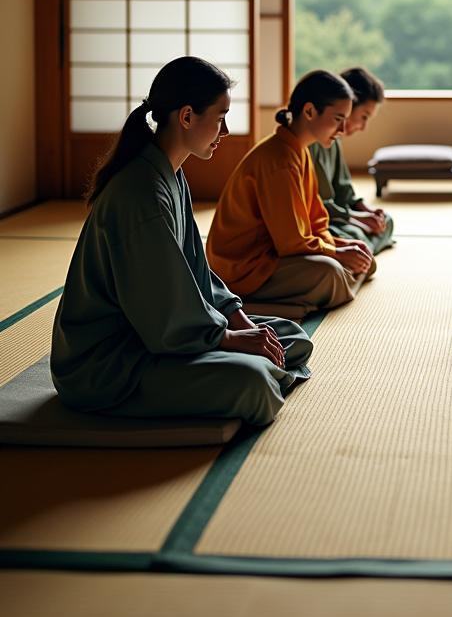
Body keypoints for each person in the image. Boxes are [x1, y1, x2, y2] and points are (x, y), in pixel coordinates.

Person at [51, 57, 313, 428]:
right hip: (111, 363)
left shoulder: (171, 176)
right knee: (252, 382)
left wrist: (237, 320)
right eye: (221, 118)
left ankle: (252, 361)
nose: (225, 131)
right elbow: (164, 315)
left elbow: (196, 272)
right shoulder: (140, 194)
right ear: (187, 117)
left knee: (291, 336)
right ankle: (255, 369)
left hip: (159, 334)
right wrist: (230, 339)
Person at [206, 70, 376, 319]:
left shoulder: (300, 151)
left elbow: (316, 222)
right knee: (331, 273)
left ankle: (304, 300)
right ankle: (249, 306)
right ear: (309, 111)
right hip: (245, 268)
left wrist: (340, 245)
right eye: (338, 118)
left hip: (276, 253)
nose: (343, 129)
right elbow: (291, 243)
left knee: (364, 258)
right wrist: (337, 253)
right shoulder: (279, 159)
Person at [309, 66, 394, 254]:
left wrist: (367, 211)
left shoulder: (334, 138)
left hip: (339, 216)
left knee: (386, 221)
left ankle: (363, 250)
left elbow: (344, 191)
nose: (363, 127)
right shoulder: (311, 142)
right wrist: (357, 219)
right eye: (363, 117)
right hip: (321, 222)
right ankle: (364, 249)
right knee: (355, 236)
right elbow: (317, 207)